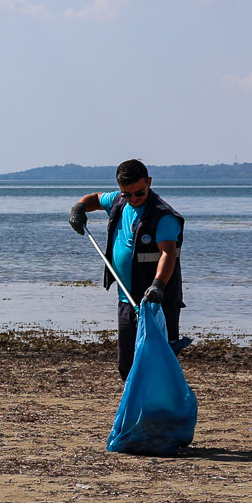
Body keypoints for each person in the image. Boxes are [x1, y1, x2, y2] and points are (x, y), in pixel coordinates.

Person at [68, 158, 185, 379]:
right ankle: (136, 409)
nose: (133, 199)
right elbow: (94, 199)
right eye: (127, 194)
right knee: (127, 365)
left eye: (139, 193)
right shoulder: (118, 202)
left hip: (157, 302)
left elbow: (168, 254)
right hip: (126, 300)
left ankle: (163, 409)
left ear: (149, 182)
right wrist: (79, 207)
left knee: (159, 363)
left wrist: (158, 286)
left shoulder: (163, 216)